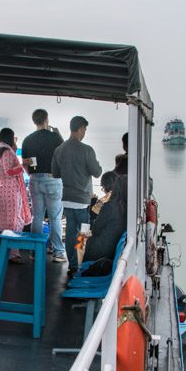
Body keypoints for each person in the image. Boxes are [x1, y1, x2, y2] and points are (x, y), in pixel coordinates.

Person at [51, 116, 102, 272]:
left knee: (71, 232)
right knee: (83, 233)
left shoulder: (59, 149)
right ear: (80, 128)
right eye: (85, 129)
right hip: (82, 200)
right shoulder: (87, 150)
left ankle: (72, 265)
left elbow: (55, 173)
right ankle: (80, 264)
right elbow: (97, 172)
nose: (85, 132)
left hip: (66, 198)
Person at [21, 109, 66, 263]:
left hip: (34, 179)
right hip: (52, 179)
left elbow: (26, 163)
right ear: (47, 119)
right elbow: (63, 156)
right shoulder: (55, 137)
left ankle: (35, 251)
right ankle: (58, 252)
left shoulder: (27, 140)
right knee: (55, 218)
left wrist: (33, 174)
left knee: (37, 216)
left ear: (34, 121)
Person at [0, 127, 32, 263]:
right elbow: (9, 171)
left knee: (7, 221)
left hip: (3, 190)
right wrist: (23, 164)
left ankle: (8, 251)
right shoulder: (7, 152)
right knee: (15, 220)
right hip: (11, 191)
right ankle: (14, 253)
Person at [84, 176, 127, 263]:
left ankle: (76, 265)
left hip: (101, 251)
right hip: (111, 247)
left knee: (81, 235)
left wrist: (93, 205)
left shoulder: (109, 205)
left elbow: (95, 229)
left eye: (103, 188)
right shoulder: (123, 205)